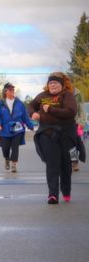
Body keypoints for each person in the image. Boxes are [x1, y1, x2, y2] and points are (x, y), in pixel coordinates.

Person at [28, 72, 83, 204]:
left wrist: (50, 110)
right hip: (48, 134)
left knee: (66, 165)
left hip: (66, 134)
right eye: (50, 83)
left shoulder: (67, 96)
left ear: (62, 85)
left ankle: (66, 191)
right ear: (47, 86)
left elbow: (71, 112)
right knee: (52, 164)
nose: (52, 85)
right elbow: (30, 106)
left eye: (55, 83)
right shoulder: (42, 96)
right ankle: (52, 194)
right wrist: (33, 113)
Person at [0, 82, 34, 173]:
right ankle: (7, 159)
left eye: (13, 90)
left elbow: (25, 116)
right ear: (5, 91)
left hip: (17, 129)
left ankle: (14, 164)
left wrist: (30, 126)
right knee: (5, 148)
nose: (12, 92)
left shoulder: (19, 103)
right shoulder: (0, 103)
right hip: (4, 129)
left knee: (15, 147)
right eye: (10, 90)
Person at [72, 86, 87, 171]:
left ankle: (74, 162)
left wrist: (81, 122)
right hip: (61, 122)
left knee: (73, 144)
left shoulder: (77, 93)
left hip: (74, 123)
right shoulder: (59, 92)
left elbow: (81, 109)